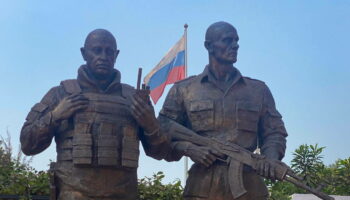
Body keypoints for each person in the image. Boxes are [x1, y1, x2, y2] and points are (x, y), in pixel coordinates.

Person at [20, 29, 169, 200]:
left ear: (116, 55)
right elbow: (27, 144)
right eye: (97, 50)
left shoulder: (134, 99)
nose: (103, 56)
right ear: (84, 53)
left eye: (109, 51)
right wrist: (55, 116)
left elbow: (161, 152)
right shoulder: (60, 94)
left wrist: (150, 124)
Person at [158, 21, 288, 200]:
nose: (235, 45)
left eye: (236, 40)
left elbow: (274, 133)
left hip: (250, 189)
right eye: (227, 40)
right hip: (201, 189)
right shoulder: (184, 90)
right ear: (208, 46)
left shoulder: (258, 90)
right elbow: (162, 138)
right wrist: (188, 148)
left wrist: (271, 159)